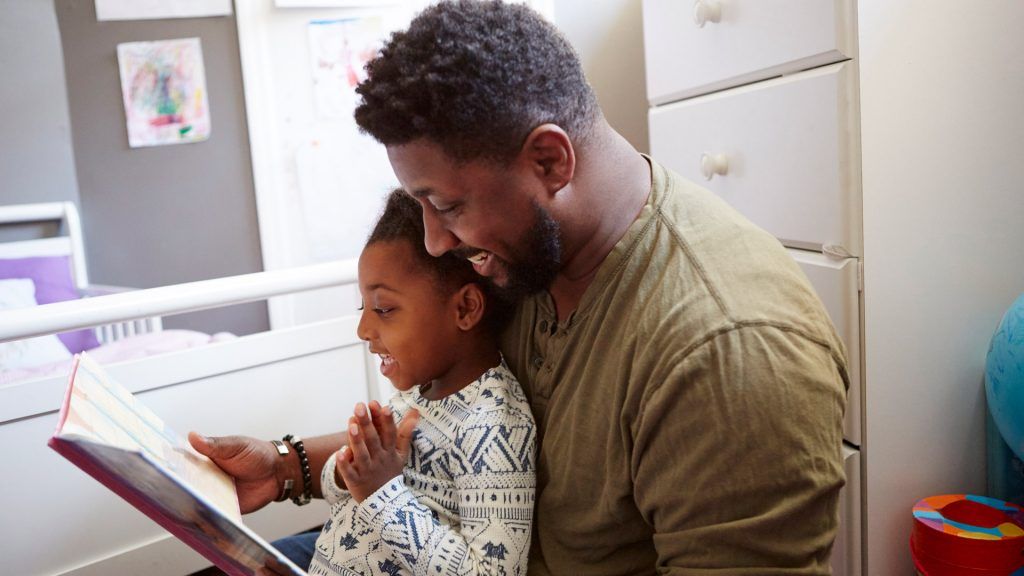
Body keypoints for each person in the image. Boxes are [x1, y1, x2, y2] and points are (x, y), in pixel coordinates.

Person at [193, 1, 848, 574]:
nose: (433, 243)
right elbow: (446, 428)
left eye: (446, 206)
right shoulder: (526, 257)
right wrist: (285, 468)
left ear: (550, 160)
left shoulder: (726, 353)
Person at [195, 190, 536, 575]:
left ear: (465, 308)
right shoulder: (418, 394)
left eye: (384, 309)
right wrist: (346, 473)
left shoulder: (494, 427)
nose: (363, 329)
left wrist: (381, 492)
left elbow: (493, 572)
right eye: (364, 308)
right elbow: (358, 502)